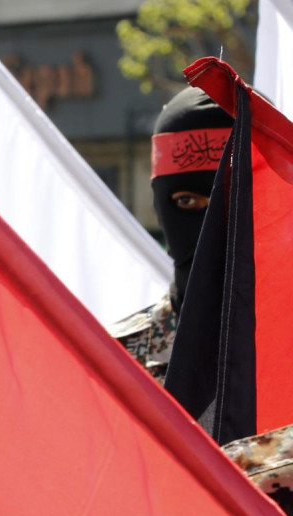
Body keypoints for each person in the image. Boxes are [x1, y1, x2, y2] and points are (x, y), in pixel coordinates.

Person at [109, 86, 233, 384]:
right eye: (187, 201)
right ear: (160, 208)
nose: (210, 227)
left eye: (234, 203)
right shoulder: (113, 366)